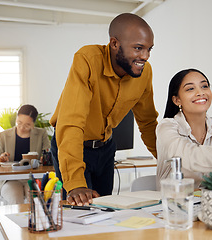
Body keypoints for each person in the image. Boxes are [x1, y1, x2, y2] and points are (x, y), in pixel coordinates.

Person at [49, 13, 158, 206]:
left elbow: (148, 123)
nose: (145, 56)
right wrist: (75, 183)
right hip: (74, 146)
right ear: (115, 43)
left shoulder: (144, 72)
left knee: (106, 210)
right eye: (138, 48)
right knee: (81, 212)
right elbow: (71, 122)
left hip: (106, 148)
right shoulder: (88, 60)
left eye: (149, 49)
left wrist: (170, 163)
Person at [156, 69, 212, 189]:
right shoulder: (167, 127)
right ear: (177, 100)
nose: (200, 92)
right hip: (174, 203)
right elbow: (188, 158)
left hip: (209, 203)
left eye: (204, 86)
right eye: (190, 89)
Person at [0, 104, 50, 204]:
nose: (22, 127)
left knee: (34, 199)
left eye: (27, 125)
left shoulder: (41, 134)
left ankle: (32, 220)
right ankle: (18, 220)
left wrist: (44, 159)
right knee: (15, 198)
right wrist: (1, 158)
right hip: (10, 180)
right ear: (16, 119)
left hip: (33, 178)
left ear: (33, 123)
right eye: (19, 122)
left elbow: (49, 155)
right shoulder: (4, 135)